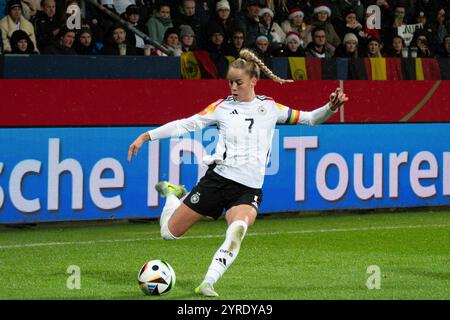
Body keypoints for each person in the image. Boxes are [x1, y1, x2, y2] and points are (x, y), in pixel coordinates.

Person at [127, 48, 348, 297]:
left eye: (238, 82)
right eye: (230, 82)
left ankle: (208, 282)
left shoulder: (271, 108)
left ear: (253, 81)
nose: (233, 87)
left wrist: (330, 108)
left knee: (237, 230)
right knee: (169, 233)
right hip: (217, 181)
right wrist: (147, 136)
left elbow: (309, 119)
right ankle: (172, 193)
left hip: (248, 189)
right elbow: (185, 124)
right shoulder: (220, 108)